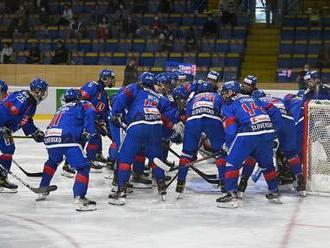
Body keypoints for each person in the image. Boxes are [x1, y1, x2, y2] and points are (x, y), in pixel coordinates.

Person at [108, 72, 179, 205]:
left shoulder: (134, 87)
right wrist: (172, 128)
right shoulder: (158, 96)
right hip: (156, 126)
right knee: (156, 159)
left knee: (124, 158)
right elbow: (170, 112)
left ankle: (121, 190)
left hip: (138, 125)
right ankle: (161, 186)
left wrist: (115, 113)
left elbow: (120, 99)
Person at [216, 81, 280, 208]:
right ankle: (274, 191)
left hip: (248, 133)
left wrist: (227, 146)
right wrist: (275, 130)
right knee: (267, 164)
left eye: (225, 92)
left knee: (231, 163)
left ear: (231, 92)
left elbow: (231, 130)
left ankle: (231, 195)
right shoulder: (253, 98)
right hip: (267, 131)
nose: (223, 95)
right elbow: (274, 110)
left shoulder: (229, 104)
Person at [38, 88, 97, 211]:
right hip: (67, 139)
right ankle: (80, 198)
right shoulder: (84, 104)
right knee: (83, 168)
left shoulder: (61, 109)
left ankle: (42, 188)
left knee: (52, 162)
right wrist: (89, 132)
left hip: (50, 138)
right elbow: (91, 114)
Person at [175, 80, 226, 199]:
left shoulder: (193, 98)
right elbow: (224, 113)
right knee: (220, 153)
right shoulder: (217, 96)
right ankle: (225, 185)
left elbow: (186, 114)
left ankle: (180, 185)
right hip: (214, 120)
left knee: (186, 154)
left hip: (193, 121)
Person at [0, 78, 48, 193]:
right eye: (42, 91)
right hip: (2, 128)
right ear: (37, 91)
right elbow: (3, 109)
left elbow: (25, 120)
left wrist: (35, 132)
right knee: (8, 149)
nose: (44, 94)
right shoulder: (23, 98)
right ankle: (1, 179)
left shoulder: (31, 102)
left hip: (4, 128)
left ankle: (2, 177)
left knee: (9, 149)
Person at [79, 69, 115, 171]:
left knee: (97, 135)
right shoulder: (93, 85)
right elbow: (80, 98)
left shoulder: (103, 94)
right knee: (92, 136)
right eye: (111, 78)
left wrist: (101, 122)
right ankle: (89, 159)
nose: (113, 81)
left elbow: (103, 111)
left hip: (91, 119)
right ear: (105, 78)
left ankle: (97, 155)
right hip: (84, 118)